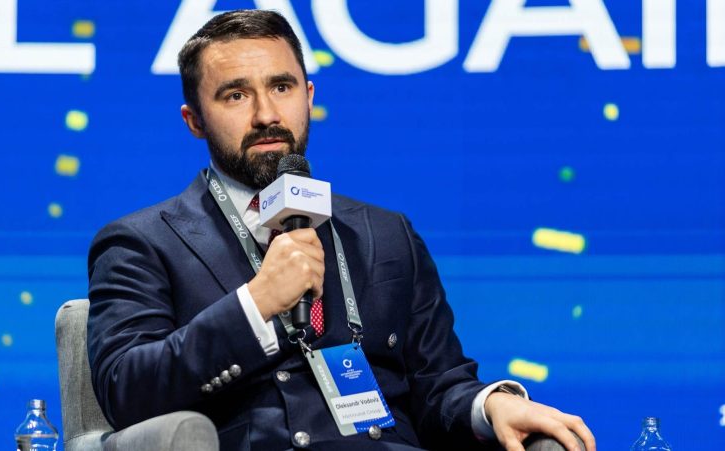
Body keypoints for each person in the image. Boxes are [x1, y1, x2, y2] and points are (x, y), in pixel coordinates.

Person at [87, 9, 595, 451]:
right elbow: (125, 390)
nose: (267, 115)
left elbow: (439, 383)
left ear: (308, 95)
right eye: (236, 95)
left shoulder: (386, 233)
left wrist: (491, 405)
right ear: (194, 120)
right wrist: (256, 304)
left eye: (282, 87)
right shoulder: (143, 242)